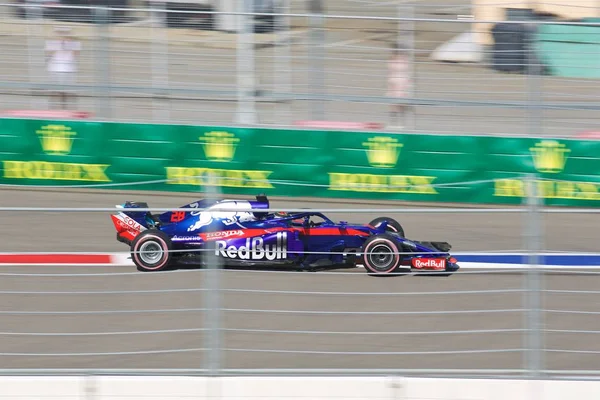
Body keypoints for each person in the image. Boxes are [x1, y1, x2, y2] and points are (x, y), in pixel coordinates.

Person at [45, 27, 81, 110]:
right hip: (54, 69)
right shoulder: (52, 43)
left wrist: (67, 44)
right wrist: (59, 45)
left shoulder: (74, 43)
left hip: (68, 70)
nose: (62, 35)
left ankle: (67, 108)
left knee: (68, 91)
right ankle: (52, 108)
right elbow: (49, 53)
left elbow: (76, 54)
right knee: (54, 90)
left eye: (65, 33)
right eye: (60, 33)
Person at [386, 43, 412, 129]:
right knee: (394, 101)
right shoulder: (393, 60)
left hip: (401, 80)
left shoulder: (403, 60)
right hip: (395, 80)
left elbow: (406, 70)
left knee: (400, 101)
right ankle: (394, 121)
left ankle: (401, 120)